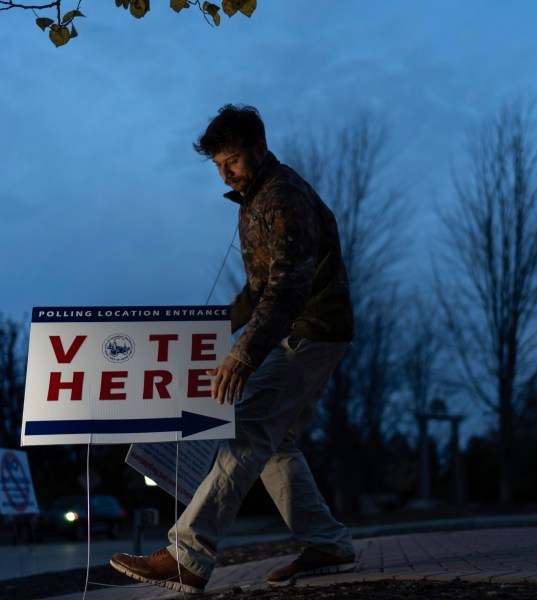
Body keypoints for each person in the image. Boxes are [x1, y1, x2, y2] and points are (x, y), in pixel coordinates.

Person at [110, 104, 357, 594]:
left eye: (233, 161)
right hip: (309, 329)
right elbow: (257, 290)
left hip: (310, 330)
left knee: (244, 431)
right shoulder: (258, 198)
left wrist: (243, 353)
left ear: (258, 148)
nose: (225, 173)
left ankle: (188, 555)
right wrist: (207, 327)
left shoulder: (282, 197)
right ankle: (327, 542)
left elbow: (286, 288)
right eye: (218, 165)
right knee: (275, 443)